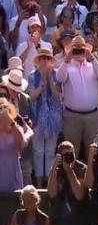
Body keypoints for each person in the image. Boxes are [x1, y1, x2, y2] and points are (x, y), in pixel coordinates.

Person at [55, 35, 98, 159]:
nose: (78, 50)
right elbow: (59, 78)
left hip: (92, 116)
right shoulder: (67, 66)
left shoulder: (92, 65)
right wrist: (67, 58)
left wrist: (91, 57)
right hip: (72, 117)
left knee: (94, 154)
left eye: (81, 47)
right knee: (71, 154)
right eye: (75, 48)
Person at [28, 48, 62, 188]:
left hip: (53, 119)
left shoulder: (57, 75)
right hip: (37, 118)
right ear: (39, 60)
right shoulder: (32, 76)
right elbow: (32, 97)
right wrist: (41, 85)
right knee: (38, 151)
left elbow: (56, 95)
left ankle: (48, 181)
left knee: (49, 152)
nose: (45, 61)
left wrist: (49, 79)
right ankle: (38, 182)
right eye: (43, 58)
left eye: (48, 58)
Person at [46, 140, 88, 225]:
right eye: (66, 155)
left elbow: (79, 195)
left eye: (71, 154)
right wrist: (54, 168)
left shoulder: (81, 168)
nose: (69, 157)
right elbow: (52, 193)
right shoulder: (56, 169)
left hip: (78, 221)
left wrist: (70, 171)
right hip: (59, 221)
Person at [0, 97, 28, 191]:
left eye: (5, 108)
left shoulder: (16, 128)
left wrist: (11, 122)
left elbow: (21, 143)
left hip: (13, 174)